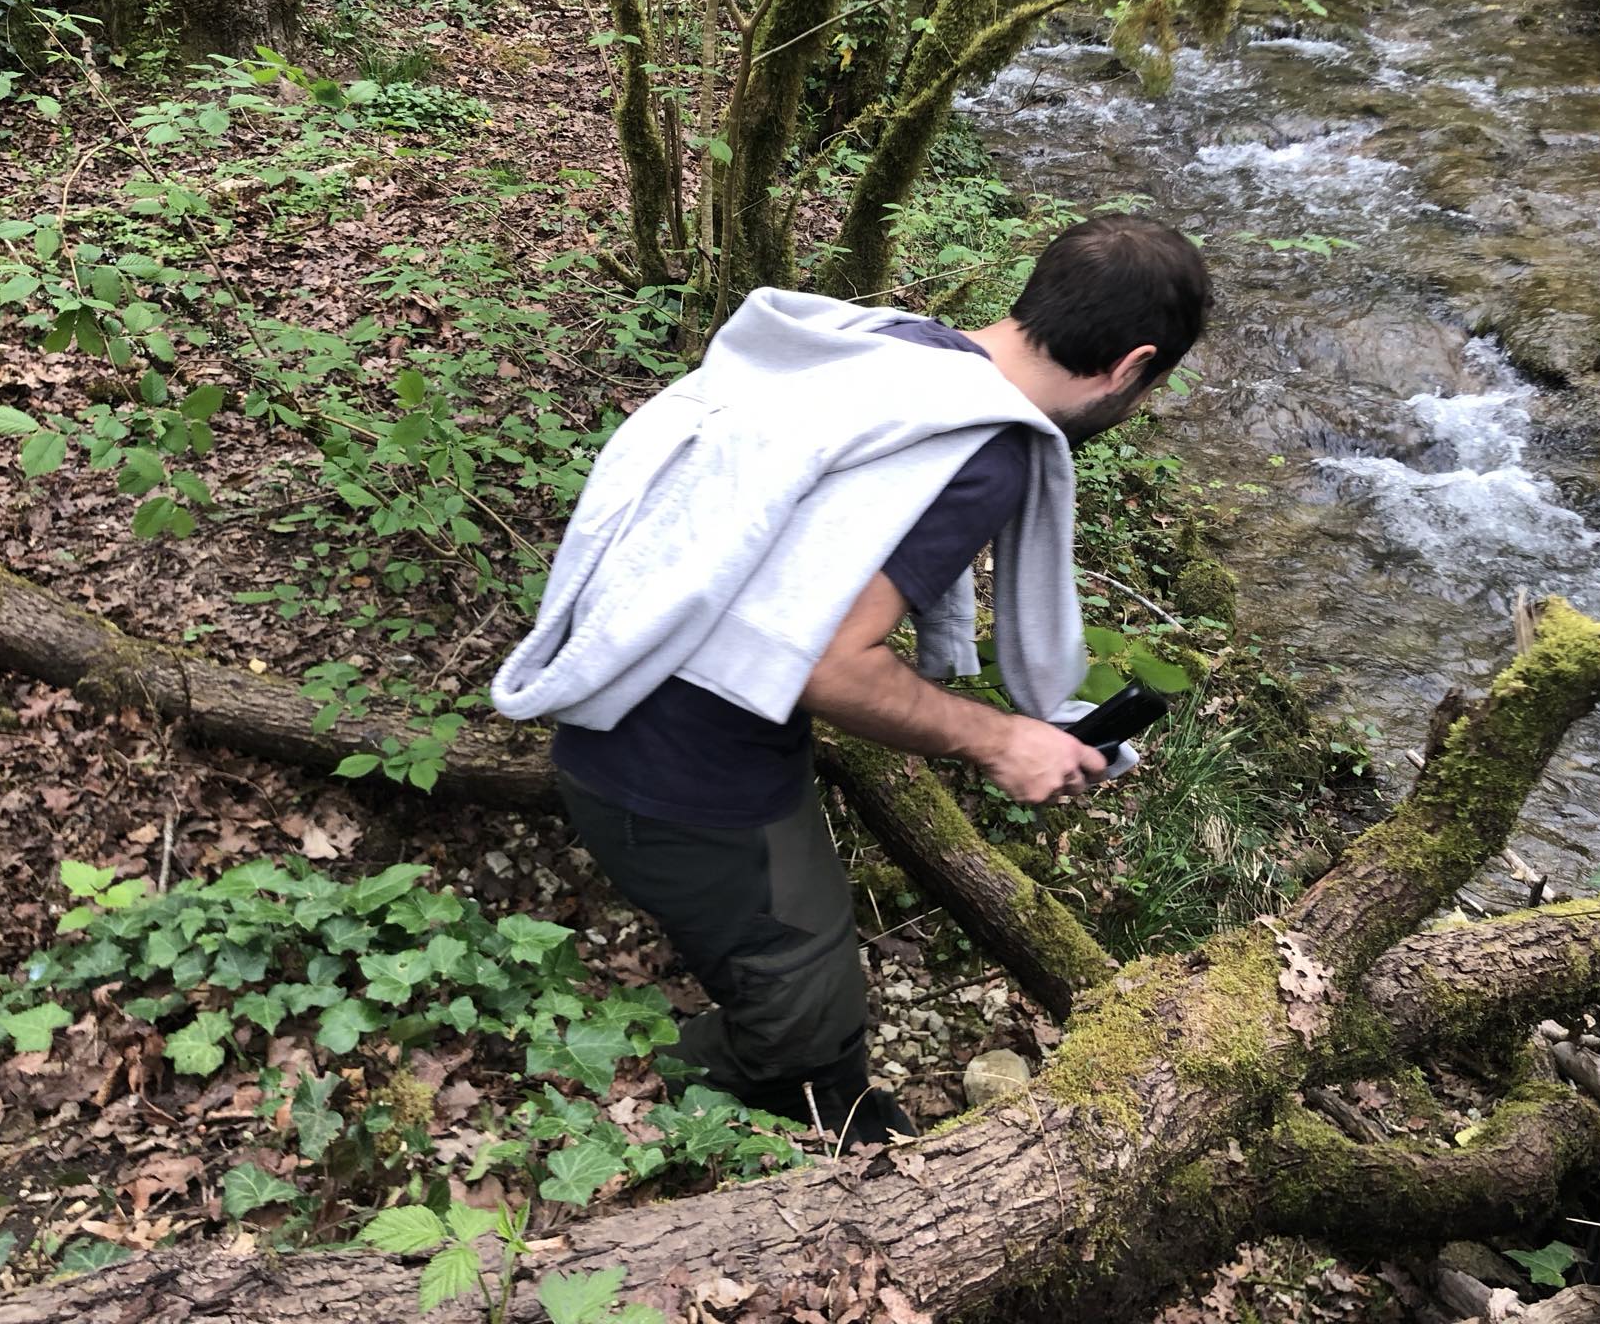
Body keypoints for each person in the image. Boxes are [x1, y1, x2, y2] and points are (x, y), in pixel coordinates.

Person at [490, 214, 1211, 1146]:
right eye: (1147, 388)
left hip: (621, 688)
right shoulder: (979, 450)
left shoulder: (889, 352)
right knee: (807, 1006)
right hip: (674, 773)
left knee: (802, 967)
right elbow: (829, 664)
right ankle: (725, 1104)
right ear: (1131, 365)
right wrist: (1003, 740)